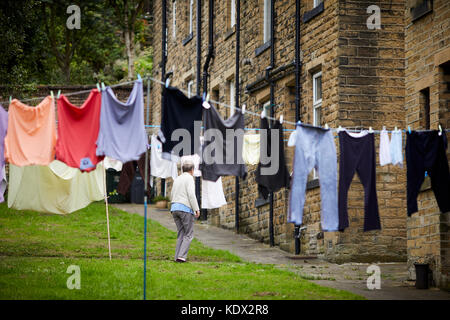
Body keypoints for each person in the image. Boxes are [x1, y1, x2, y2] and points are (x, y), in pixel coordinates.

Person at [170, 160, 200, 262]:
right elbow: (191, 195)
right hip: (185, 208)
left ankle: (177, 256)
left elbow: (172, 194)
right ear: (192, 170)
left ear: (183, 170)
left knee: (181, 233)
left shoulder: (177, 179)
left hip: (174, 208)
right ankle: (181, 256)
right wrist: (196, 209)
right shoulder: (189, 179)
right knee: (189, 234)